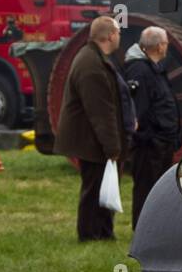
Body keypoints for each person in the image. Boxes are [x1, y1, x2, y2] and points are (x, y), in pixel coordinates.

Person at [54, 16, 130, 241]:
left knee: (101, 187)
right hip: (91, 140)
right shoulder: (92, 65)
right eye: (118, 33)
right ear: (109, 36)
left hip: (92, 138)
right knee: (94, 189)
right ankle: (89, 234)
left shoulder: (93, 58)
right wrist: (112, 146)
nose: (119, 37)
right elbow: (100, 112)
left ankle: (104, 232)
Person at [124, 26, 179, 229]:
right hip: (150, 143)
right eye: (165, 43)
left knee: (158, 188)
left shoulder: (152, 68)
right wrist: (148, 137)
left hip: (161, 140)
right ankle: (142, 228)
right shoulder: (139, 69)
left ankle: (156, 226)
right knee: (145, 188)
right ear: (158, 46)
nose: (166, 47)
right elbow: (139, 108)